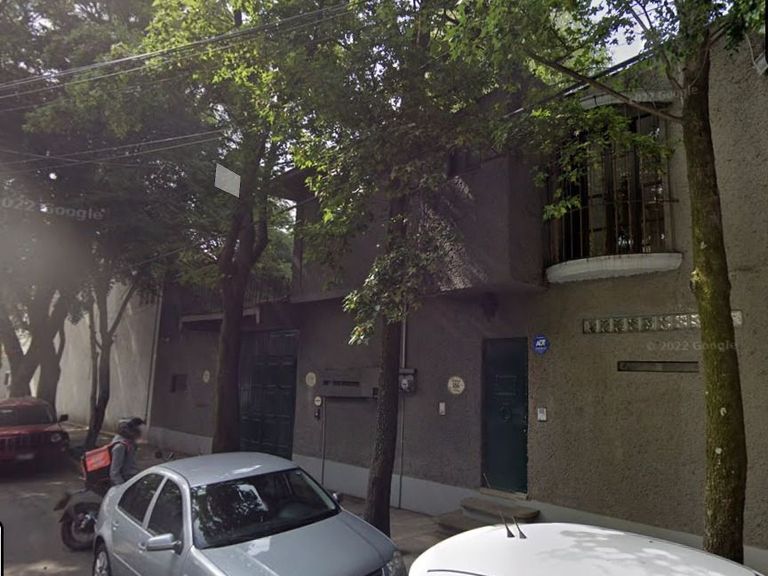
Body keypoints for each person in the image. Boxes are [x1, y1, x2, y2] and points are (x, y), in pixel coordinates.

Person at [109, 417, 144, 486]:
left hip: (132, 479)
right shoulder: (120, 447)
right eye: (138, 430)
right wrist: (123, 486)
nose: (140, 432)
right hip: (126, 481)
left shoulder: (130, 443)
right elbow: (114, 472)